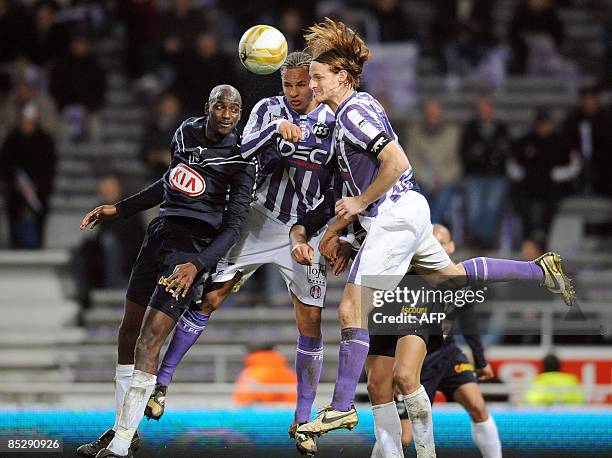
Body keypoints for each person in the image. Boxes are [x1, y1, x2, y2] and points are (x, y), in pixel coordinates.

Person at [290, 18, 574, 458]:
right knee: (451, 274)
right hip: (406, 211)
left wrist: (358, 205)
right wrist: (342, 231)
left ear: (341, 77)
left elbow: (397, 160)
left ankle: (343, 407)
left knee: (352, 307)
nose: (311, 84)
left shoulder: (355, 112)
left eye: (318, 77)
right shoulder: (345, 111)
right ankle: (539, 269)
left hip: (395, 213)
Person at [143, 51, 342, 457]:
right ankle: (161, 383)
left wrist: (339, 233)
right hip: (259, 218)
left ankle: (302, 420)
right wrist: (275, 132)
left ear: (315, 83)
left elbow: (344, 174)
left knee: (311, 321)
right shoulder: (267, 110)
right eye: (288, 85)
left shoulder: (333, 117)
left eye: (302, 84)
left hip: (306, 229)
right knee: (210, 297)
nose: (295, 92)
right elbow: (242, 152)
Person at [75, 84, 256, 458]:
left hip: (190, 252)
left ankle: (123, 444)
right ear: (208, 107)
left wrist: (198, 265)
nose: (227, 114)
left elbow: (234, 227)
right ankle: (120, 429)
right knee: (128, 333)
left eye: (234, 110)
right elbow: (169, 182)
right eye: (221, 107)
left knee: (149, 340)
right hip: (157, 236)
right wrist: (121, 208)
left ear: (240, 115)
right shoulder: (185, 132)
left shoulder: (242, 159)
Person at [370, 224, 502, 458]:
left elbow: (469, 323)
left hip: (448, 353)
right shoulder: (408, 278)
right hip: (417, 361)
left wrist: (481, 361)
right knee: (404, 437)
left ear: (450, 246)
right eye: (431, 242)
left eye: (441, 242)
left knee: (478, 406)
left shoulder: (458, 282)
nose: (436, 247)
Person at [0, 103, 56, 248]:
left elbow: (50, 166)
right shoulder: (12, 139)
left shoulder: (45, 140)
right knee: (14, 215)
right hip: (16, 188)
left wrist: (37, 184)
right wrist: (16, 182)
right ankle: (15, 246)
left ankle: (38, 245)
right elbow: (5, 164)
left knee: (40, 217)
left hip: (39, 189)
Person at [460, 97, 510, 248]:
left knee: (491, 207)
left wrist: (482, 152)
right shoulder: (470, 129)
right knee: (474, 208)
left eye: (486, 109)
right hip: (473, 176)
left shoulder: (501, 128)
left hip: (497, 177)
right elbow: (466, 154)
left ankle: (481, 240)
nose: (483, 112)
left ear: (492, 110)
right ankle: (480, 240)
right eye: (480, 109)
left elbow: (504, 153)